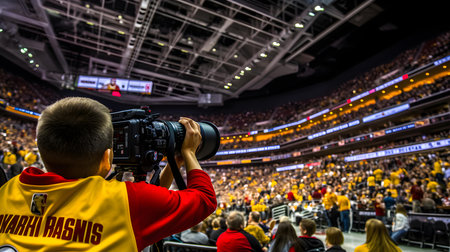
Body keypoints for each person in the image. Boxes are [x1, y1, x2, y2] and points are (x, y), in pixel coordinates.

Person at [0, 97, 217, 251]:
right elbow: (205, 200)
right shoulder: (126, 201)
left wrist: (174, 162)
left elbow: (146, 210)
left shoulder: (8, 190)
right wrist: (188, 152)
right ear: (107, 159)